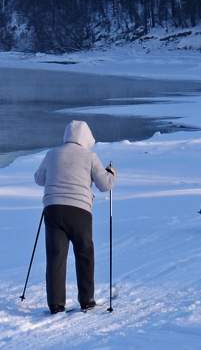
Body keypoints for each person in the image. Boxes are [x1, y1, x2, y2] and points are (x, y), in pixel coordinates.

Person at [33, 120, 116, 314]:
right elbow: (105, 185)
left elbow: (39, 179)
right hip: (79, 211)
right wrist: (111, 173)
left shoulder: (52, 154)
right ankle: (86, 300)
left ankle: (55, 304)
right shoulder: (90, 157)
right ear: (87, 138)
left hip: (53, 210)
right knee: (84, 254)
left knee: (56, 257)